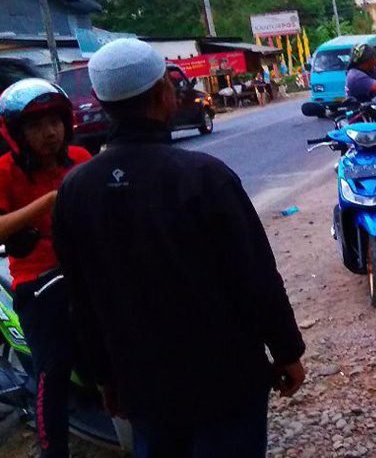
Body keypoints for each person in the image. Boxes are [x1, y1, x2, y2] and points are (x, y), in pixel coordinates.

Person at [53, 38, 306, 457]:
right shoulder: (204, 177)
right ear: (163, 94)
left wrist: (104, 377)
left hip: (140, 383)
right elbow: (255, 276)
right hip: (225, 379)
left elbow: (81, 299)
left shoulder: (76, 191)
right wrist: (286, 351)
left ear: (100, 99)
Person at [0, 79, 90, 458]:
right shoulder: (5, 170)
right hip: (38, 281)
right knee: (51, 370)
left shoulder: (82, 158)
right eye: (36, 126)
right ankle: (54, 451)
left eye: (54, 121)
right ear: (17, 134)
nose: (49, 133)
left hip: (88, 272)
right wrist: (50, 201)